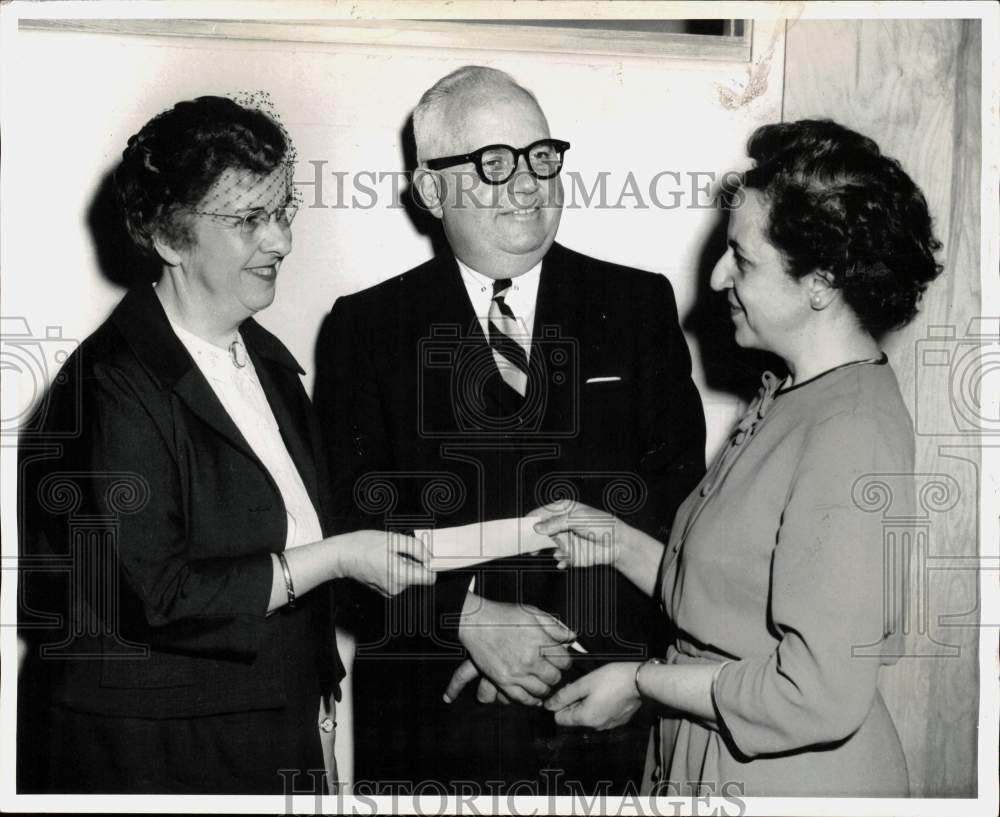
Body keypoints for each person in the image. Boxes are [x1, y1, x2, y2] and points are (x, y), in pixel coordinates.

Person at [17, 95, 435, 794]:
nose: (281, 241)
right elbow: (162, 595)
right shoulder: (111, 384)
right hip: (156, 749)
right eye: (249, 220)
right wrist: (337, 557)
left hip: (265, 722)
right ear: (171, 238)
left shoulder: (265, 358)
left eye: (283, 211)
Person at [313, 66, 706, 791]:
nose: (528, 184)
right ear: (431, 189)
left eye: (541, 157)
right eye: (494, 164)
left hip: (599, 712)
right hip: (433, 724)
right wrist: (465, 621)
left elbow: (678, 506)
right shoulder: (364, 329)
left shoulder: (639, 304)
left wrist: (555, 656)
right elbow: (344, 527)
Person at [535, 118, 943, 796]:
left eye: (743, 260)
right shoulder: (790, 394)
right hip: (719, 757)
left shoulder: (852, 430)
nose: (719, 275)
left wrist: (641, 680)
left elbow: (816, 691)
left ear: (819, 282)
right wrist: (617, 544)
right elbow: (726, 595)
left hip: (788, 778)